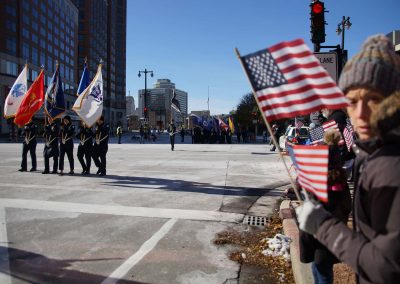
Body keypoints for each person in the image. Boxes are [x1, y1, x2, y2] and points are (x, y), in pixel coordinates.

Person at [296, 34, 400, 284]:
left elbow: (387, 268)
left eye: (373, 99)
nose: (361, 113)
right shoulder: (373, 150)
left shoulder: (390, 165)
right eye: (353, 101)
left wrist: (323, 227)